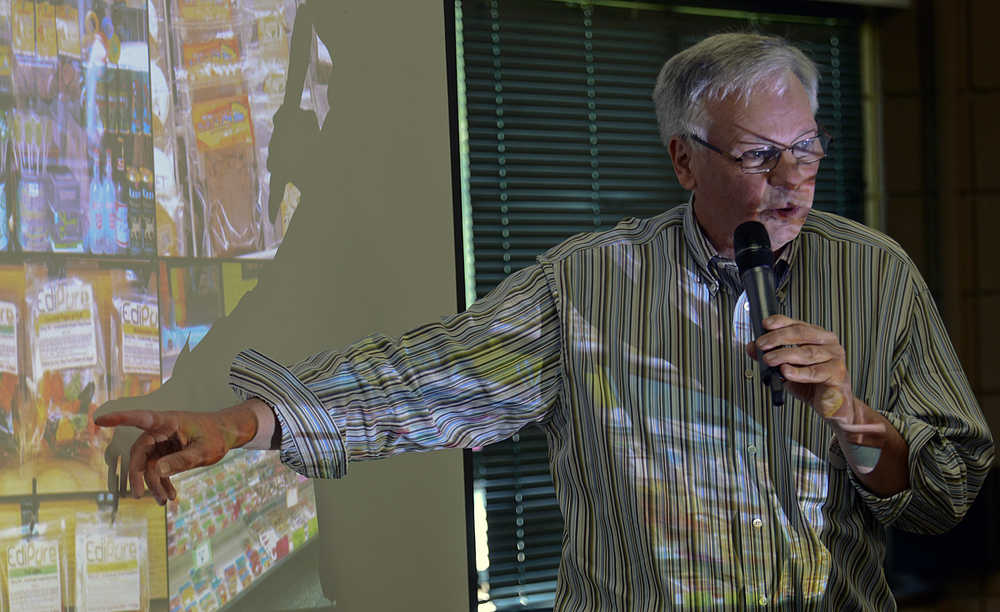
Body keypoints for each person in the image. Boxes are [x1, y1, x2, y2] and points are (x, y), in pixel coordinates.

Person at [97, 33, 994, 609]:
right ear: (685, 161)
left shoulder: (875, 272)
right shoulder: (594, 283)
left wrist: (854, 417)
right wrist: (242, 421)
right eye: (762, 156)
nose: (795, 180)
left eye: (806, 149)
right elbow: (427, 378)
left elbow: (949, 491)